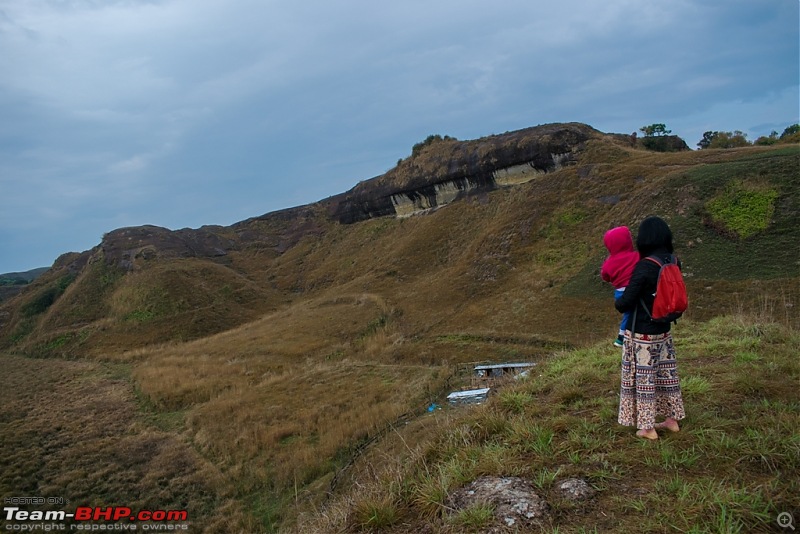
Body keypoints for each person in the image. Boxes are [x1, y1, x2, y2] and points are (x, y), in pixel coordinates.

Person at [614, 216, 686, 440]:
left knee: (644, 379)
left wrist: (618, 294)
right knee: (666, 375)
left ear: (644, 239)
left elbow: (624, 303)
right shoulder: (673, 261)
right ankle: (671, 420)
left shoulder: (645, 266)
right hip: (664, 330)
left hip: (642, 335)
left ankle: (647, 429)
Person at [601, 226, 639, 347]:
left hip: (619, 292)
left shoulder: (609, 262)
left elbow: (605, 276)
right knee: (634, 313)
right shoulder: (636, 256)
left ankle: (624, 336)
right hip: (634, 290)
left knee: (627, 314)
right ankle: (621, 338)